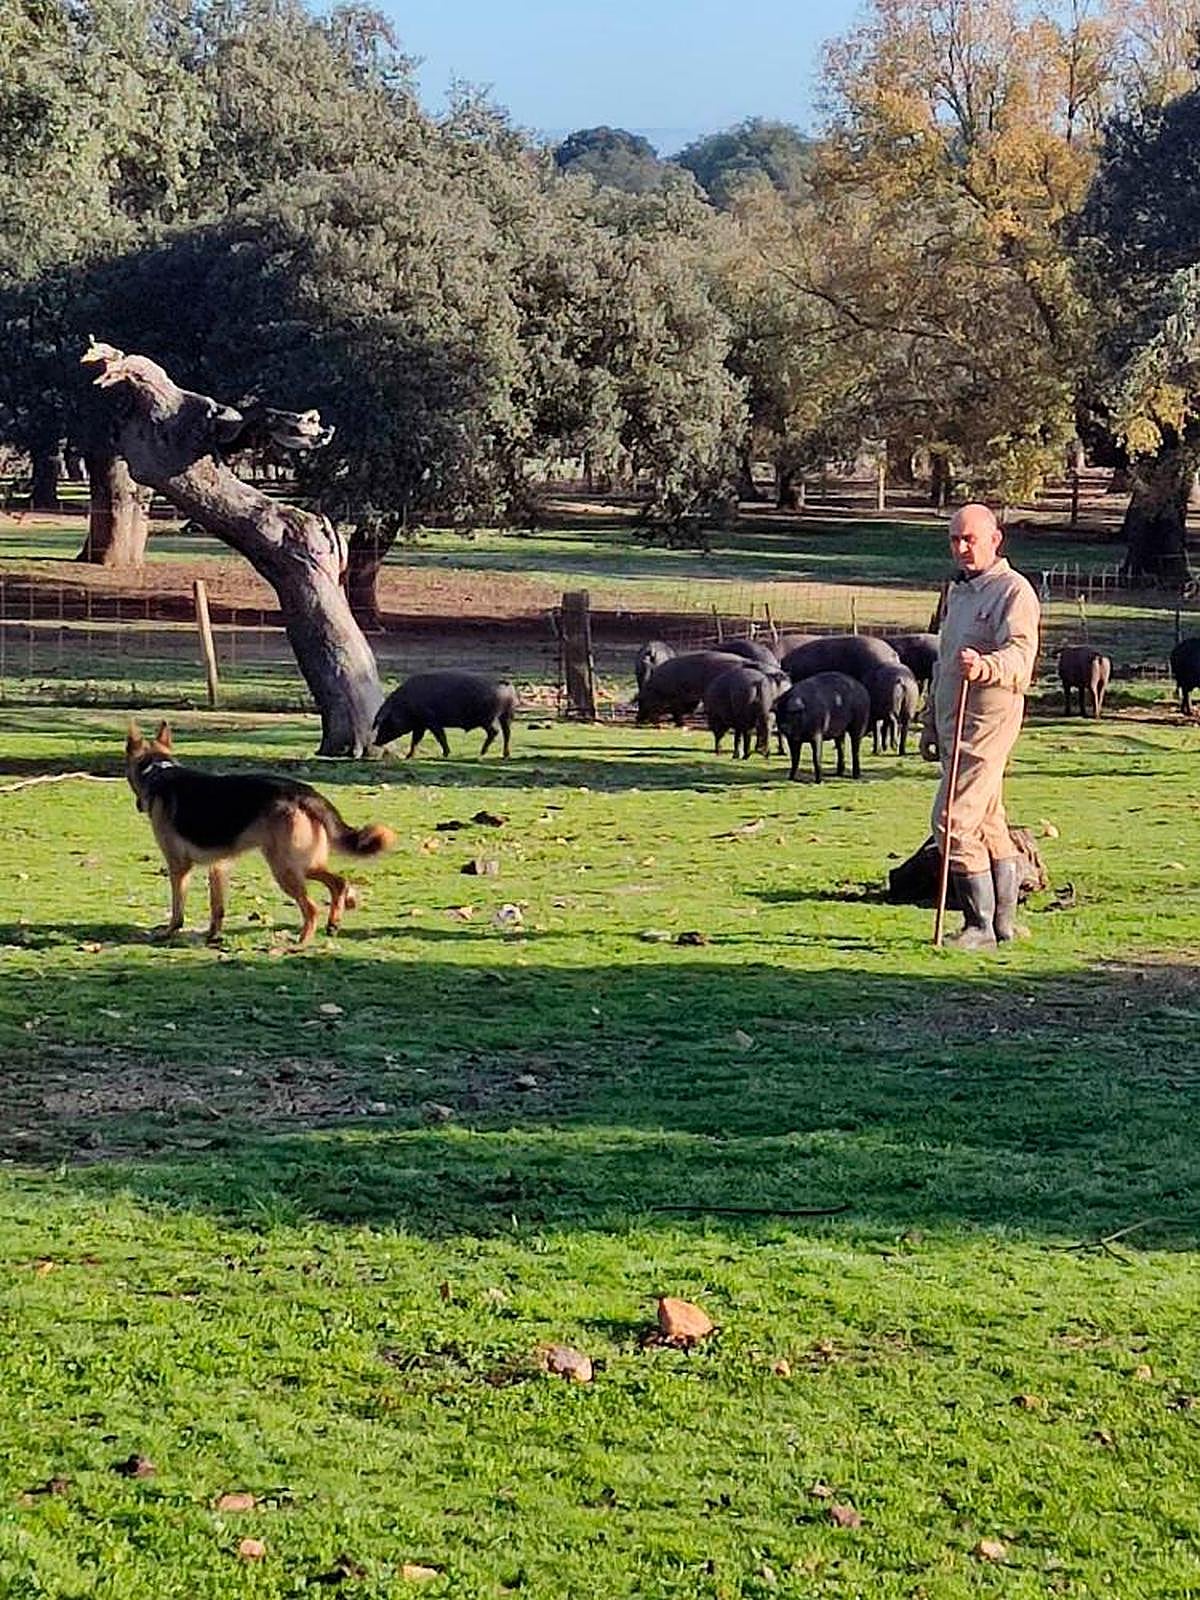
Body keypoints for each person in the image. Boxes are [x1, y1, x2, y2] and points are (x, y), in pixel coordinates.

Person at [930, 503, 1041, 950]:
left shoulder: (1014, 592)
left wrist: (986, 666)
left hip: (986, 721)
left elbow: (1021, 655)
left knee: (953, 821)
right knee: (989, 821)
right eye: (955, 539)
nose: (961, 548)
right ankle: (1004, 926)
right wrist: (928, 725)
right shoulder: (959, 593)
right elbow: (944, 663)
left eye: (969, 539)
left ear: (995, 540)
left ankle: (978, 927)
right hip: (952, 719)